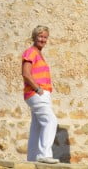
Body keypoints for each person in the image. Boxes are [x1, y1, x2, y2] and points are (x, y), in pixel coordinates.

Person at [21, 25, 59, 164]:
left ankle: (32, 157)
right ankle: (44, 154)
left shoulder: (38, 53)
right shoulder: (31, 52)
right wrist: (38, 89)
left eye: (45, 37)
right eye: (40, 36)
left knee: (37, 125)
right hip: (36, 93)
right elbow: (26, 73)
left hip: (39, 93)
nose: (43, 39)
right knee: (50, 120)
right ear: (34, 37)